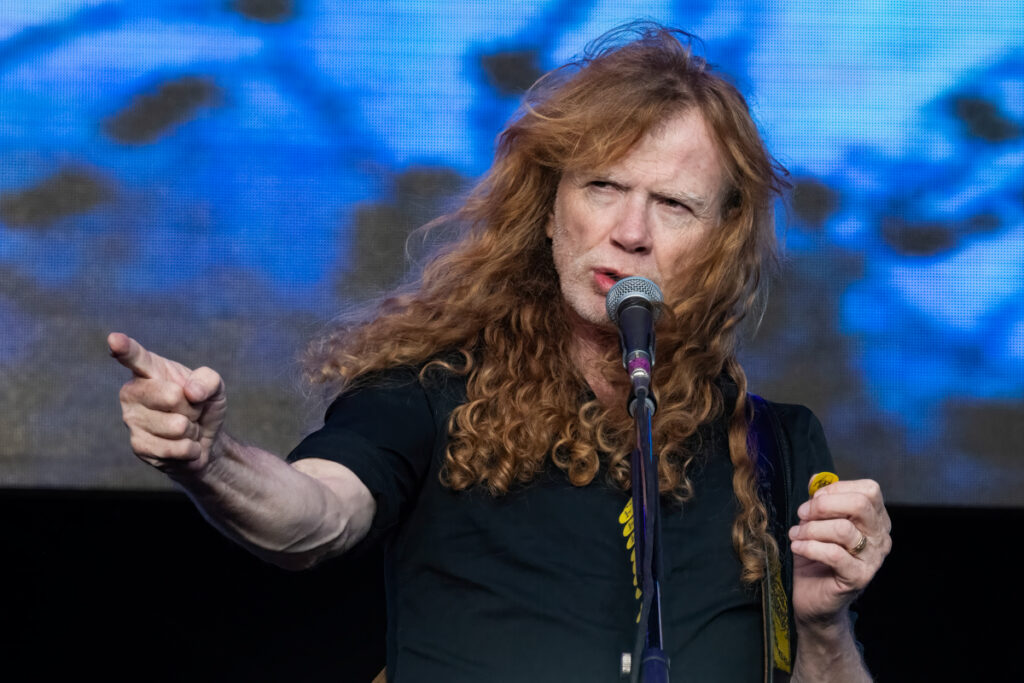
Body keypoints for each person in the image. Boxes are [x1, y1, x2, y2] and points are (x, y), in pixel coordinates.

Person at [110, 23, 891, 682]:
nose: (630, 232)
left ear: (719, 245)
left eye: (673, 205)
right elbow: (316, 514)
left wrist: (824, 626)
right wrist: (211, 460)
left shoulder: (778, 447)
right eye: (602, 186)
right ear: (550, 210)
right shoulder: (428, 392)